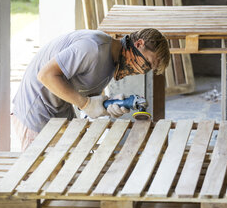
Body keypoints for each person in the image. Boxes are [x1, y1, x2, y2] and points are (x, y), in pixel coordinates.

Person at [11, 28, 170, 151]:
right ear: (139, 44)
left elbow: (88, 99)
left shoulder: (111, 64)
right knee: (39, 176)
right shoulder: (93, 47)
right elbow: (46, 75)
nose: (142, 71)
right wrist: (86, 104)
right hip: (35, 110)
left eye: (148, 70)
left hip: (59, 108)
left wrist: (107, 106)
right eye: (147, 63)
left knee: (70, 165)